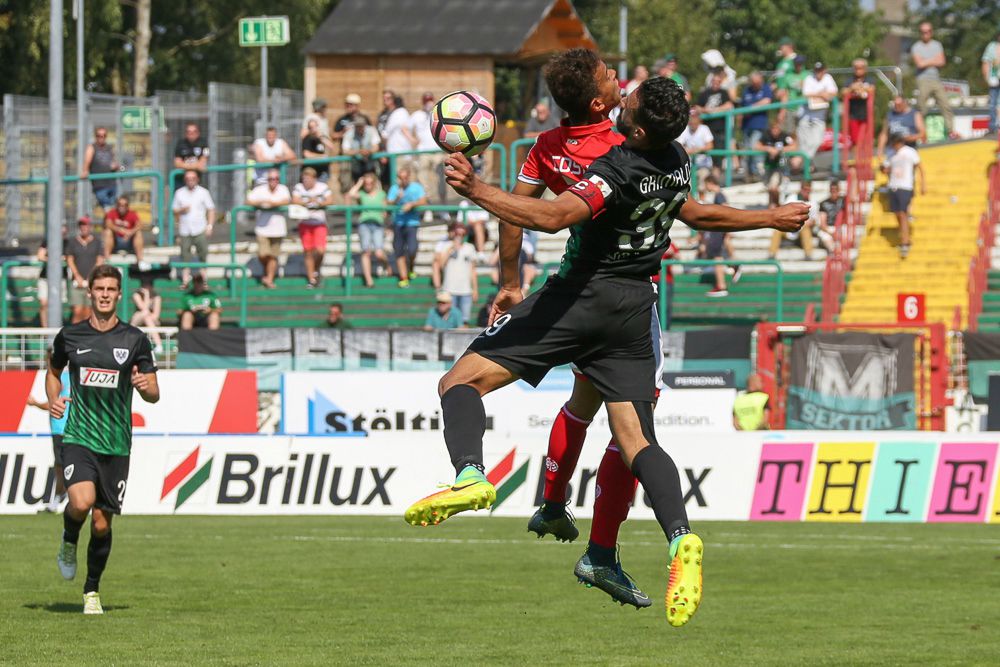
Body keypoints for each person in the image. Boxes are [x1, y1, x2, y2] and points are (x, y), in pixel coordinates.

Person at [405, 72, 807, 628]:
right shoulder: (677, 159)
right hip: (636, 309)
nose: (625, 89)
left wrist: (477, 190)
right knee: (638, 437)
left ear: (635, 125)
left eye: (631, 95)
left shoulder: (617, 167)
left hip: (580, 299)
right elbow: (698, 214)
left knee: (460, 383)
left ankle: (472, 474)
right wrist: (771, 217)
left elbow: (551, 218)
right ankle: (680, 538)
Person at [51, 264, 160, 615]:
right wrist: (54, 397)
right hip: (79, 436)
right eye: (100, 288)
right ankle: (69, 540)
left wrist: (147, 388)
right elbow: (52, 371)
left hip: (116, 443)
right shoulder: (70, 336)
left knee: (101, 522)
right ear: (91, 292)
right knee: (81, 504)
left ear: (118, 294)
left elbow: (154, 391)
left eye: (111, 289)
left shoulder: (134, 339)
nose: (104, 294)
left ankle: (92, 590)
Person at [26, 366, 72, 513]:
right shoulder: (65, 377)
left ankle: (65, 497)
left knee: (65, 466)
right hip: (62, 429)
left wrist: (35, 404)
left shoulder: (63, 377)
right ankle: (60, 497)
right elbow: (54, 405)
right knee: (61, 466)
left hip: (67, 429)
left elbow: (52, 405)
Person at [247, 168, 292, 288]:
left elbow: (286, 201)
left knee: (273, 255)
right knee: (263, 254)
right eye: (272, 179)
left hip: (278, 230)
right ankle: (267, 273)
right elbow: (249, 201)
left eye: (276, 179)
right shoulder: (259, 190)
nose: (274, 181)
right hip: (262, 228)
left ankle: (269, 279)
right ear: (267, 180)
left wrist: (271, 204)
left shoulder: (283, 189)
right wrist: (262, 202)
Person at [171, 170, 215, 288]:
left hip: (200, 228)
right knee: (185, 256)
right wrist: (182, 211)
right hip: (185, 229)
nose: (190, 181)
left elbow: (211, 209)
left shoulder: (203, 192)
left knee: (202, 255)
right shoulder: (179, 193)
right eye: (188, 178)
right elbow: (174, 210)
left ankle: (204, 280)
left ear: (197, 179)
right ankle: (185, 281)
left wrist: (209, 226)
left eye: (193, 178)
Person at [884, 134, 925, 258]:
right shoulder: (891, 154)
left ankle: (905, 241)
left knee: (903, 213)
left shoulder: (909, 152)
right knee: (897, 213)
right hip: (893, 185)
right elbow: (887, 168)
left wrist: (923, 184)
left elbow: (920, 167)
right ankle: (904, 235)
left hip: (906, 186)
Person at [911, 21, 955, 138]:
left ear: (931, 32)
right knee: (921, 107)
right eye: (923, 32)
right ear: (920, 33)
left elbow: (942, 61)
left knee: (945, 104)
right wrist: (933, 60)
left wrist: (926, 61)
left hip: (936, 79)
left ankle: (951, 131)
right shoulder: (916, 47)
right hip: (923, 80)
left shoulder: (937, 45)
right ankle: (920, 133)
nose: (926, 34)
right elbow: (919, 64)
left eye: (928, 32)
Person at [292, 167, 334, 288]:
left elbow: (330, 200)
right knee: (308, 251)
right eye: (304, 179)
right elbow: (295, 200)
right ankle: (312, 279)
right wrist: (308, 202)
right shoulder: (299, 187)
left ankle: (315, 269)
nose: (306, 181)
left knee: (320, 251)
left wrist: (318, 203)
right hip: (305, 223)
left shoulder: (322, 187)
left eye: (309, 179)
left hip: (319, 223)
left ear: (314, 179)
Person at [347, 172, 390, 288]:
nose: (368, 185)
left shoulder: (381, 194)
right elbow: (350, 195)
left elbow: (385, 212)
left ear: (374, 183)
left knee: (379, 253)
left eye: (370, 183)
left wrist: (386, 226)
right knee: (366, 251)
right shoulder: (361, 194)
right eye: (366, 183)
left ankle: (387, 265)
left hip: (377, 224)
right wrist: (359, 183)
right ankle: (369, 280)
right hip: (364, 224)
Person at [386, 166, 427, 287]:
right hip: (398, 223)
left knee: (412, 249)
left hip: (412, 223)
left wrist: (412, 204)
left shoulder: (416, 187)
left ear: (409, 177)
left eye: (405, 177)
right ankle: (403, 278)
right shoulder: (395, 189)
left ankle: (411, 267)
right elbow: (388, 203)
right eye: (400, 178)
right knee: (399, 250)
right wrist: (397, 198)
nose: (403, 180)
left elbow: (423, 201)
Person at [433, 222, 478, 324]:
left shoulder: (469, 248)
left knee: (465, 320)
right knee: (450, 321)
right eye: (457, 234)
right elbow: (440, 265)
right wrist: (452, 249)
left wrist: (475, 289)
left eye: (462, 234)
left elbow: (473, 270)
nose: (459, 237)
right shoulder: (446, 246)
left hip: (466, 290)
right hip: (450, 290)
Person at [409, 92, 445, 211]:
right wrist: (413, 139)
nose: (428, 104)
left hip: (438, 151)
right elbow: (405, 127)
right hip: (423, 152)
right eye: (426, 101)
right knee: (423, 181)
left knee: (441, 180)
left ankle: (442, 207)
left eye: (430, 101)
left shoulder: (438, 114)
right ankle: (428, 207)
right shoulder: (417, 115)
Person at [65, 216, 104, 323]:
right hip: (76, 282)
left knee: (88, 311)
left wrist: (90, 277)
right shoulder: (73, 242)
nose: (84, 227)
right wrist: (77, 275)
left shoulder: (97, 242)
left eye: (86, 225)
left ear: (90, 226)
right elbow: (69, 259)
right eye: (81, 225)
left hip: (91, 282)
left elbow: (100, 259)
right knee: (77, 311)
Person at [700, 175, 734, 297]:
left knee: (717, 258)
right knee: (716, 257)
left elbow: (726, 210)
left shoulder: (719, 195)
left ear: (710, 183)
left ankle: (721, 285)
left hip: (719, 230)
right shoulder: (718, 195)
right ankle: (723, 282)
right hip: (719, 230)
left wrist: (727, 229)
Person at [756, 122, 802, 208]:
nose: (775, 131)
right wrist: (768, 149)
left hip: (779, 167)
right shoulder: (766, 135)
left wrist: (779, 150)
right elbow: (757, 146)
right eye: (773, 129)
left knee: (773, 188)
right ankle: (772, 207)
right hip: (768, 166)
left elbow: (794, 146)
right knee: (769, 189)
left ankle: (777, 205)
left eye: (777, 129)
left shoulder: (784, 136)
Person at [797, 62, 838, 160]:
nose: (818, 73)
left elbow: (833, 93)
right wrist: (821, 94)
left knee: (816, 141)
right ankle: (805, 165)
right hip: (805, 114)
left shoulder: (828, 78)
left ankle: (801, 161)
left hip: (819, 116)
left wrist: (818, 94)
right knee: (804, 142)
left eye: (820, 71)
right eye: (816, 71)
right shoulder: (809, 78)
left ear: (824, 70)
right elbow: (806, 94)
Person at [694, 73, 734, 170]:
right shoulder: (705, 93)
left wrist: (714, 110)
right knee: (706, 153)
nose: (716, 83)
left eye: (718, 81)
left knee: (719, 153)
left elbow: (729, 105)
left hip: (720, 128)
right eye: (714, 81)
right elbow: (697, 107)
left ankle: (716, 174)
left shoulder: (723, 92)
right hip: (707, 128)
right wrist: (706, 110)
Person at [770, 180, 817, 260]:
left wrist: (808, 223)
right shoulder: (791, 199)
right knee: (777, 230)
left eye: (808, 190)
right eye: (805, 189)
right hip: (789, 228)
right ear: (801, 189)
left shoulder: (813, 203)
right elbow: (783, 214)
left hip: (802, 230)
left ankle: (808, 254)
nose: (807, 192)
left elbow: (814, 221)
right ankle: (771, 254)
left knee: (805, 228)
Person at [739, 72, 773, 178]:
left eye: (758, 82)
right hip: (747, 125)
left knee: (755, 147)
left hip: (759, 124)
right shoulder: (747, 90)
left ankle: (758, 172)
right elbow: (743, 106)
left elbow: (767, 101)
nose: (756, 84)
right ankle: (749, 173)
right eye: (754, 82)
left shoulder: (765, 88)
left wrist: (752, 107)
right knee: (747, 149)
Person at [379, 90, 414, 188]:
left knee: (401, 182)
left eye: (388, 98)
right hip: (397, 154)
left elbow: (386, 134)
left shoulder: (399, 112)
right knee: (398, 182)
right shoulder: (385, 114)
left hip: (399, 154)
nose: (385, 101)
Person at [80, 127, 119, 211]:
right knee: (108, 210)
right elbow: (87, 161)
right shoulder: (92, 148)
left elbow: (114, 161)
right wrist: (85, 171)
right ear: (95, 136)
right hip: (100, 185)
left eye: (104, 136)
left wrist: (115, 166)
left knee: (112, 211)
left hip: (112, 183)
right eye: (99, 136)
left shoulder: (109, 147)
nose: (101, 138)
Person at [102, 195, 146, 267]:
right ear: (117, 205)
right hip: (115, 242)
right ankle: (107, 261)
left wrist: (130, 232)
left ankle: (140, 261)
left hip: (129, 241)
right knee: (108, 232)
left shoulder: (132, 214)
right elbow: (108, 224)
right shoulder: (112, 213)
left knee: (138, 233)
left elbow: (140, 225)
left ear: (127, 206)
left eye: (124, 205)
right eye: (119, 204)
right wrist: (121, 230)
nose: (122, 207)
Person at [677, 110, 714, 194]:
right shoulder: (685, 129)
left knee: (702, 186)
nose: (692, 120)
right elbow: (679, 145)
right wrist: (687, 150)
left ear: (698, 119)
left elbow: (710, 145)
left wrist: (698, 149)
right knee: (686, 187)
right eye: (691, 118)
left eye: (694, 117)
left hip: (703, 165)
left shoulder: (704, 129)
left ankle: (702, 202)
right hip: (689, 165)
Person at [877, 96, 925, 160]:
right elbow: (884, 134)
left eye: (899, 105)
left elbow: (922, 133)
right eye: (895, 105)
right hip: (893, 149)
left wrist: (911, 138)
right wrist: (880, 149)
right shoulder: (890, 115)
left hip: (909, 148)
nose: (897, 107)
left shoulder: (915, 114)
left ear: (904, 103)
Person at [842, 59, 876, 148]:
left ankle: (865, 160)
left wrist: (858, 88)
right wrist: (853, 88)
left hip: (867, 114)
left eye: (861, 68)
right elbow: (844, 92)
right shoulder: (849, 80)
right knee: (855, 140)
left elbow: (871, 89)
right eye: (856, 68)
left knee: (866, 139)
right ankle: (857, 159)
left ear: (865, 69)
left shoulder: (870, 79)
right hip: (854, 114)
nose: (858, 70)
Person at [342, 117, 381, 183]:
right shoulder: (349, 134)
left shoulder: (371, 130)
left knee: (372, 183)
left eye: (361, 126)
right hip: (356, 166)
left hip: (370, 164)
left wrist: (368, 151)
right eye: (357, 126)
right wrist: (358, 152)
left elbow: (376, 147)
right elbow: (345, 151)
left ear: (365, 125)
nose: (359, 128)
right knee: (357, 184)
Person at [172, 123, 209, 189]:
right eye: (189, 132)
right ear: (186, 133)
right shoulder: (180, 143)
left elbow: (203, 161)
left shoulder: (204, 143)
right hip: (180, 180)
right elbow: (177, 163)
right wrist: (195, 166)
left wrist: (185, 165)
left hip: (196, 180)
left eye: (194, 131)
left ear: (198, 133)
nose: (191, 134)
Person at [130, 280, 163, 353]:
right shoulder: (136, 295)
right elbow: (143, 308)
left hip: (152, 321)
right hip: (138, 319)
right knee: (144, 313)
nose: (145, 288)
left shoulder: (157, 297)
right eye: (144, 286)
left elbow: (156, 315)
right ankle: (159, 344)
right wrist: (147, 295)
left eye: (147, 286)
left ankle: (158, 345)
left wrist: (147, 316)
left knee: (146, 317)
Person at [983, 31, 1000, 134]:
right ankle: (993, 128)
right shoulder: (992, 46)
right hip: (994, 79)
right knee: (993, 104)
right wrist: (987, 78)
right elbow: (985, 62)